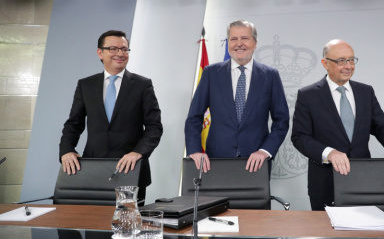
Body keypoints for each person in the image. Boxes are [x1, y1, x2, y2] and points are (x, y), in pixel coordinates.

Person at [291, 39, 384, 211]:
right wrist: (329, 153)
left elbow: (382, 126)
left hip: (363, 181)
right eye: (341, 61)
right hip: (325, 184)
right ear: (325, 64)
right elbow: (300, 137)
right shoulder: (307, 95)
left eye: (351, 60)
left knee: (362, 236)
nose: (348, 66)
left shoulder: (365, 92)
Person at [59, 30, 163, 202]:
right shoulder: (86, 85)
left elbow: (154, 127)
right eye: (113, 49)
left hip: (132, 169)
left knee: (128, 226)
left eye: (124, 49)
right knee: (94, 226)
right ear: (100, 52)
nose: (120, 54)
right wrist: (67, 150)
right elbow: (73, 124)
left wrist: (138, 152)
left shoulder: (142, 85)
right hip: (93, 170)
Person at [185, 20, 289, 173]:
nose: (239, 43)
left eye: (245, 38)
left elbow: (281, 120)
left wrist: (265, 151)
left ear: (255, 43)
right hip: (215, 161)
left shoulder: (270, 75)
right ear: (228, 43)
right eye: (233, 39)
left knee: (254, 199)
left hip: (256, 164)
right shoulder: (211, 73)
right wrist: (194, 150)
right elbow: (194, 117)